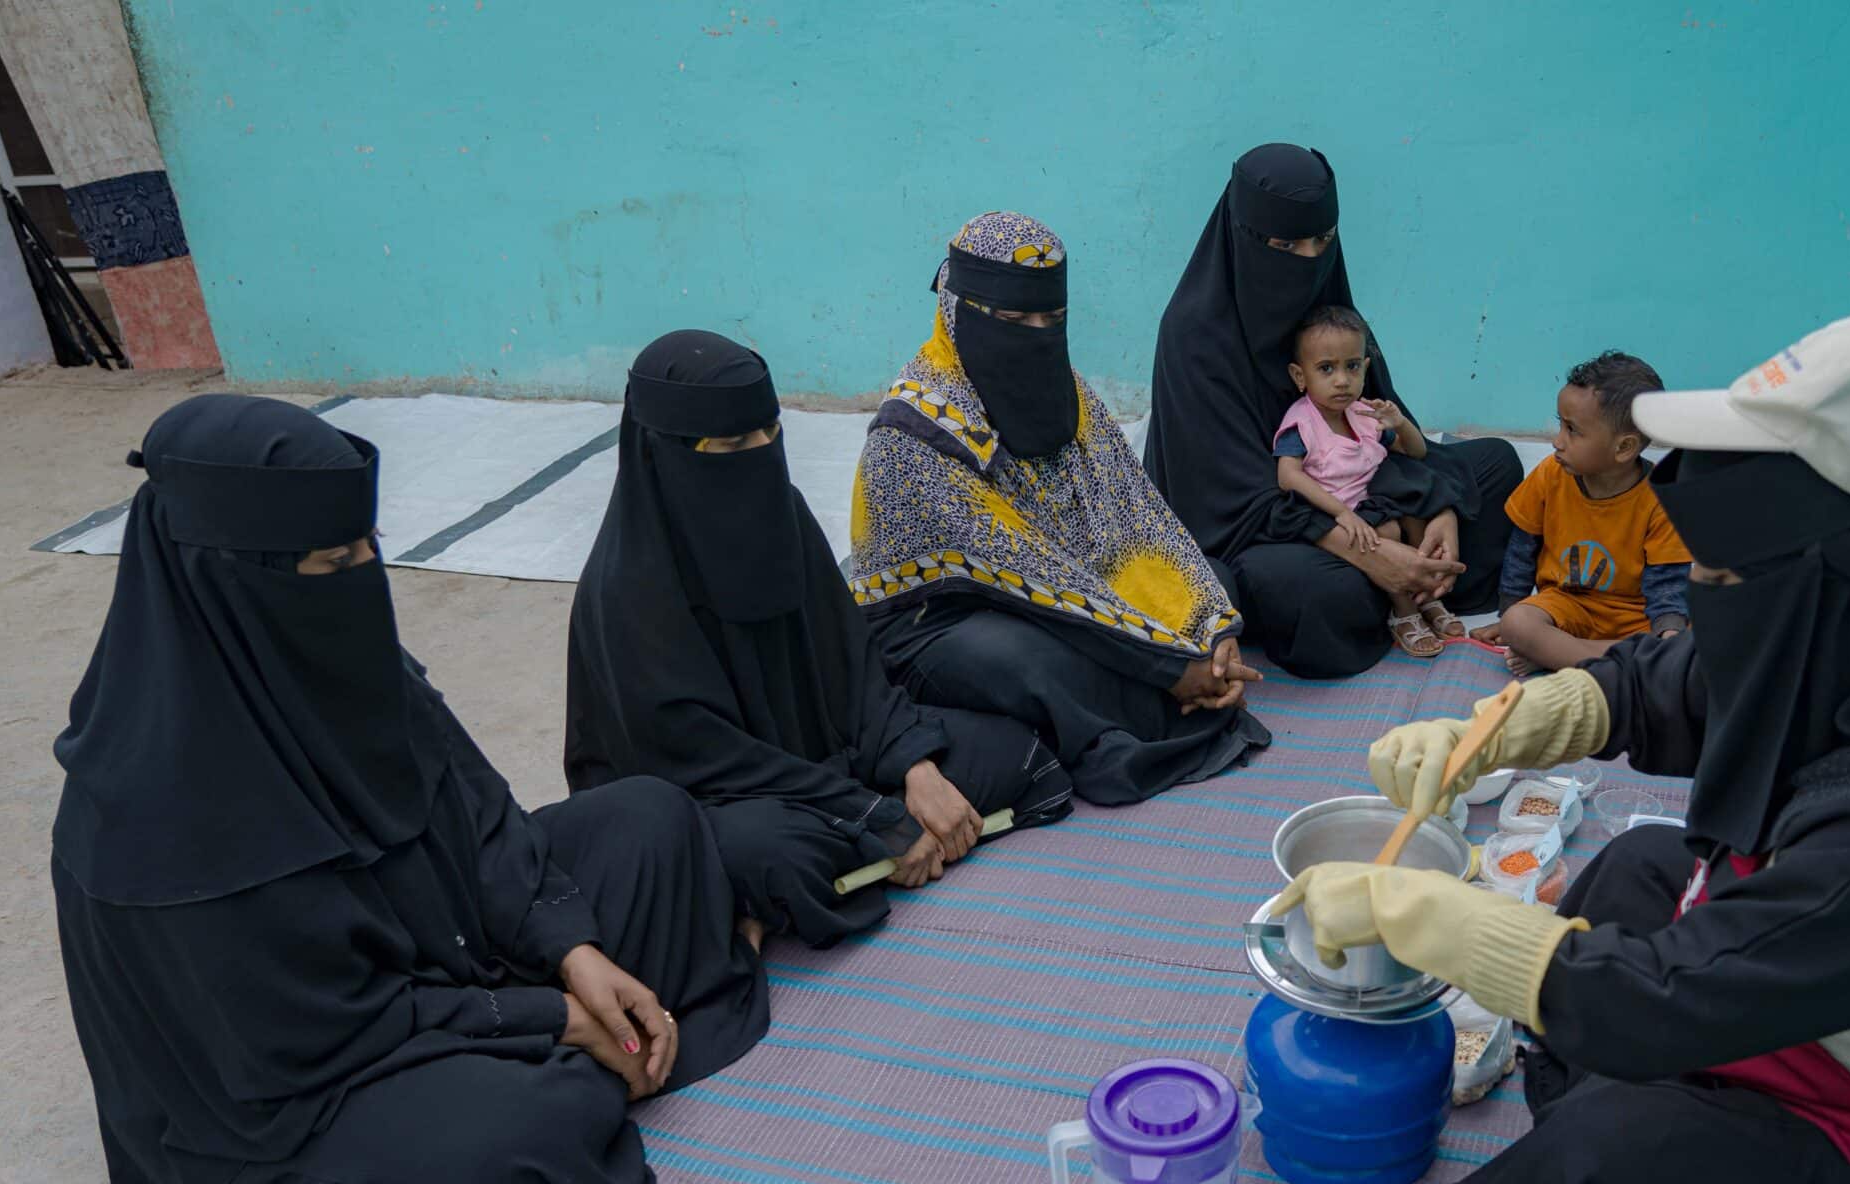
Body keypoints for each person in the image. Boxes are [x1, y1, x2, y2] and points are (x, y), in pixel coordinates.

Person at [1271, 309, 1850, 1184]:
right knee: (1636, 873)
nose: (1704, 601)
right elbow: (1677, 680)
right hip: (1835, 1027)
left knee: (1604, 1151)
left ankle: (1603, 1179)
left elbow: (1667, 997)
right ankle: (1656, 1140)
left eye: (1725, 577)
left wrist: (1439, 921)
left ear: (1832, 580)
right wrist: (1498, 727)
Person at [50, 395, 769, 1184]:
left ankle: (585, 1056)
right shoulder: (155, 801)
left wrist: (572, 949)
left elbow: (479, 812)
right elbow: (318, 1028)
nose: (361, 580)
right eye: (331, 563)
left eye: (368, 549)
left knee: (653, 822)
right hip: (304, 1080)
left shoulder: (334, 659)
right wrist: (550, 1017)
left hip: (443, 951)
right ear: (227, 576)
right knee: (525, 1155)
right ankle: (580, 1065)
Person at [566, 330, 1073, 948]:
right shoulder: (627, 590)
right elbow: (701, 759)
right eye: (732, 444)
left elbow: (854, 668)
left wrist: (912, 767)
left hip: (831, 763)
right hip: (721, 797)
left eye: (771, 432)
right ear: (662, 452)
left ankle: (839, 868)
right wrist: (872, 814)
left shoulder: (781, 513)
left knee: (1012, 749)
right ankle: (843, 857)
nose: (761, 454)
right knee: (772, 855)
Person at [851, 211, 1270, 805]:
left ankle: (1173, 688)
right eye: (1014, 320)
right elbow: (1028, 576)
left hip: (1066, 582)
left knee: (1211, 580)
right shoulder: (912, 437)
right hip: (940, 617)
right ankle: (1153, 709)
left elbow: (1138, 513)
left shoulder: (1066, 390)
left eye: (1052, 318)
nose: (1037, 334)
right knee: (1030, 662)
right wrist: (1171, 662)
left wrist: (1211, 627)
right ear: (959, 311)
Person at [1144, 142, 1526, 678]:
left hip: (1363, 499)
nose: (1308, 260)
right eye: (1285, 244)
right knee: (1301, 589)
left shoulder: (1331, 313)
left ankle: (1411, 585)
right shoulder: (1196, 337)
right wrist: (1370, 553)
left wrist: (1437, 509)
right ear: (1242, 236)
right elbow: (1235, 503)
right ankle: (1403, 589)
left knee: (1496, 465)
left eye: (1322, 240)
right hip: (1266, 528)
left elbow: (1386, 433)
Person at [1271, 305, 1469, 658]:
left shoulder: (1363, 413)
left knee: (1418, 511)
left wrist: (1400, 424)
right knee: (1388, 532)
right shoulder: (1301, 423)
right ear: (1300, 376)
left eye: (1351, 367)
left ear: (1364, 368)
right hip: (1336, 511)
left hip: (1376, 499)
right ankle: (1403, 611)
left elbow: (1417, 453)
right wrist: (1341, 514)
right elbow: (1287, 477)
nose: (1342, 380)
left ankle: (1428, 594)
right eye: (1326, 368)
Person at [1479, 351, 1692, 676]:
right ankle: (1628, 664)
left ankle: (1557, 655)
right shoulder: (1550, 475)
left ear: (1624, 447)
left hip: (1634, 616)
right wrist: (1510, 614)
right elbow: (1521, 552)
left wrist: (1669, 632)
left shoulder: (1661, 496)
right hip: (1566, 606)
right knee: (1518, 623)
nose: (1557, 441)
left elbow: (1667, 584)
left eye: (1572, 430)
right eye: (1560, 425)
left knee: (1695, 633)